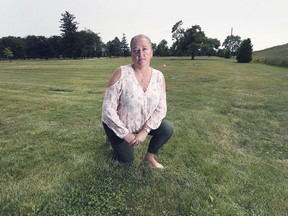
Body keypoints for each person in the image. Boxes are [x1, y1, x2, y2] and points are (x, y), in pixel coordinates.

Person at [101, 34, 173, 168]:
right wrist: (125, 134)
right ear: (131, 54)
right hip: (118, 124)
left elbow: (161, 108)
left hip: (142, 124)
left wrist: (145, 131)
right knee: (127, 161)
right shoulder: (121, 73)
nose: (141, 54)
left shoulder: (159, 76)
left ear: (151, 52)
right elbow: (108, 110)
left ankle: (149, 157)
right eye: (136, 50)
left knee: (167, 128)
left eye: (145, 49)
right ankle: (111, 136)